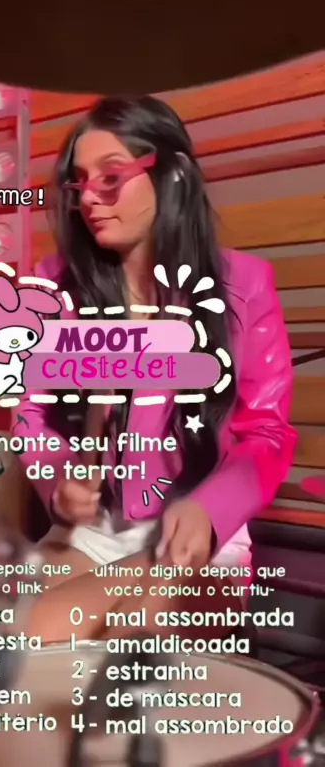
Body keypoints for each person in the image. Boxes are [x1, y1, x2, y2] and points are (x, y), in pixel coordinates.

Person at [15, 96, 296, 644]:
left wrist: (211, 510)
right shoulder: (54, 285)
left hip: (197, 538)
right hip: (89, 534)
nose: (89, 198)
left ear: (172, 173)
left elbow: (267, 432)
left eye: (111, 178)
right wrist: (58, 481)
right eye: (79, 183)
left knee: (130, 639)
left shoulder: (244, 286)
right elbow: (32, 415)